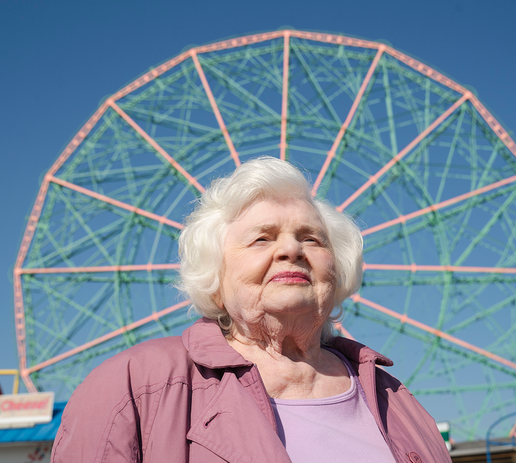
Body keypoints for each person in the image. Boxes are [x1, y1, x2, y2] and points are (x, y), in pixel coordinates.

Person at [51, 157, 451, 463]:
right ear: (216, 274)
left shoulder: (398, 402)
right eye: (262, 238)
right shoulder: (135, 387)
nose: (291, 249)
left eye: (312, 239)